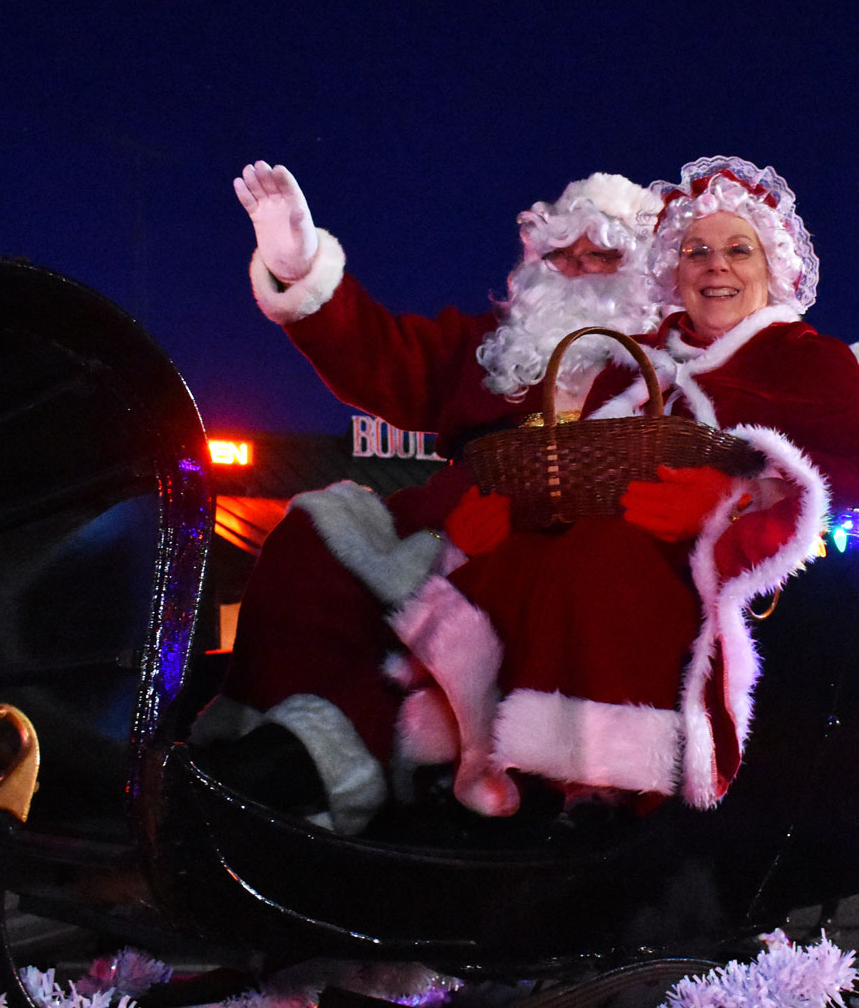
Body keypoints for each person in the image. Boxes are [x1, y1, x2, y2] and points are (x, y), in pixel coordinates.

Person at [386, 156, 859, 818]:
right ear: (674, 271)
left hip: (727, 583)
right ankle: (480, 760)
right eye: (697, 251)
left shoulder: (810, 360)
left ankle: (604, 785)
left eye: (738, 250)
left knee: (601, 560)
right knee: (516, 560)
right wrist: (494, 520)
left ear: (772, 269)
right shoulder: (639, 357)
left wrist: (734, 504)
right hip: (610, 530)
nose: (715, 265)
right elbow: (578, 461)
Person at [189, 163, 668, 833]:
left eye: (603, 255)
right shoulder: (498, 348)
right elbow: (383, 354)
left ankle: (323, 774)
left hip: (548, 553)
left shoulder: (669, 362)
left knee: (444, 630)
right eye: (565, 254)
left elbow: (767, 390)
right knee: (311, 540)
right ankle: (261, 739)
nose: (581, 269)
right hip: (442, 532)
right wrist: (300, 272)